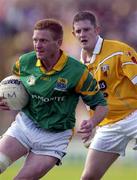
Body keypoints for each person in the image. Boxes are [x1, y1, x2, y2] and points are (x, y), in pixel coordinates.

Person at [0, 18, 108, 179]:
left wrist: (92, 123)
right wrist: (6, 96)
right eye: (35, 40)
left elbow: (101, 105)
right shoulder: (25, 62)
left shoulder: (77, 72)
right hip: (25, 125)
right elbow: (13, 83)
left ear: (58, 43)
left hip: (55, 137)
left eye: (43, 40)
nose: (38, 45)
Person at [72, 10, 137, 180]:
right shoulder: (78, 68)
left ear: (97, 30)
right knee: (88, 177)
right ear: (73, 34)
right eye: (78, 31)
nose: (82, 34)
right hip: (109, 126)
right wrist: (92, 124)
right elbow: (92, 102)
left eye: (86, 29)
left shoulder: (119, 51)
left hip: (134, 116)